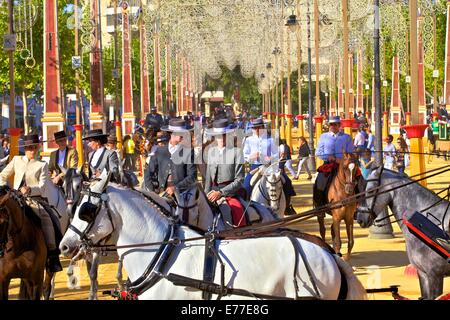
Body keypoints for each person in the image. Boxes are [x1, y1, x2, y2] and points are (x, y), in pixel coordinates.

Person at [0, 134, 62, 272]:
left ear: (38, 148)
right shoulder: (16, 160)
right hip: (14, 198)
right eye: (29, 148)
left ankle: (52, 254)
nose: (32, 150)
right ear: (25, 148)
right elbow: (3, 175)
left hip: (33, 200)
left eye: (34, 147)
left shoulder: (42, 165)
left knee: (48, 219)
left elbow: (43, 186)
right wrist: (7, 189)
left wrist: (30, 189)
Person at [204, 119, 247, 226]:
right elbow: (208, 177)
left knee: (231, 211)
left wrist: (221, 193)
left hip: (230, 194)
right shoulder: (211, 151)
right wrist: (205, 195)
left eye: (224, 135)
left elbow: (240, 180)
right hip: (212, 193)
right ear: (215, 137)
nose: (221, 138)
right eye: (219, 136)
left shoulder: (237, 152)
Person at [144, 119, 197, 197]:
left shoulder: (188, 152)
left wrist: (176, 188)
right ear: (172, 134)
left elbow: (192, 176)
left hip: (181, 194)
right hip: (161, 193)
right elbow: (148, 172)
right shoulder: (160, 151)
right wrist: (153, 191)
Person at [242, 117, 278, 197]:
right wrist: (251, 157)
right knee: (246, 186)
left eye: (258, 127)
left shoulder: (271, 139)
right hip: (255, 167)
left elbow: (277, 154)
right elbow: (245, 155)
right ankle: (246, 204)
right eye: (254, 128)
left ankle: (288, 205)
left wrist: (271, 158)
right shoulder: (248, 140)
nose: (256, 130)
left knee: (286, 181)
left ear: (262, 127)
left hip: (270, 167)